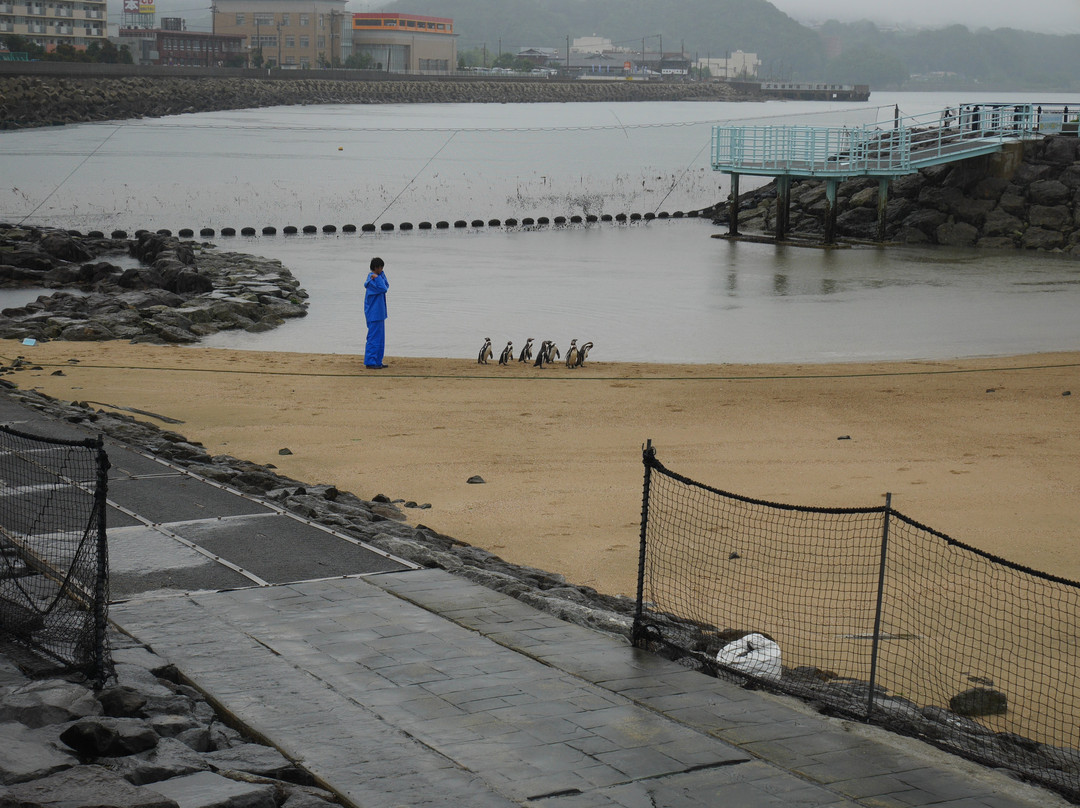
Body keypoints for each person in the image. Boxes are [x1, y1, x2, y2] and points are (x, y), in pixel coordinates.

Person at [363, 257, 389, 369]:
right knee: (373, 338)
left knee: (381, 339)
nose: (382, 269)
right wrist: (377, 278)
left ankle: (378, 361)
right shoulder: (371, 281)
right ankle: (370, 361)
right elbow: (383, 288)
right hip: (373, 314)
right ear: (375, 268)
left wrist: (380, 276)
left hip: (380, 313)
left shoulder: (379, 276)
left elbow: (386, 284)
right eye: (380, 267)